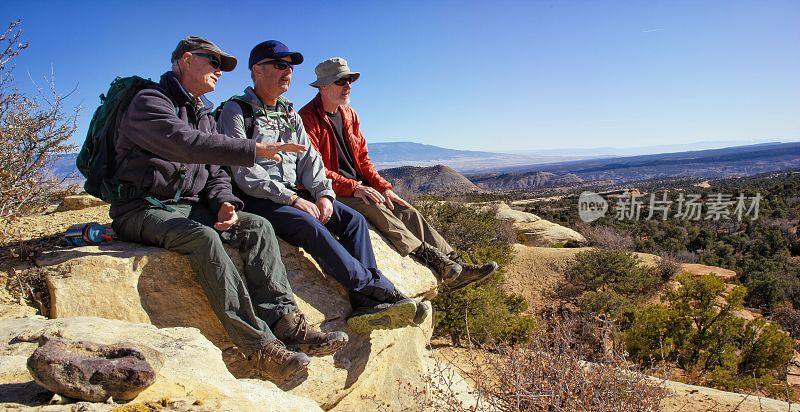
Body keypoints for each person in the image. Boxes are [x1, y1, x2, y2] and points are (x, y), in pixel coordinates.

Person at [109, 36, 348, 383]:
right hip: (141, 208)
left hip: (187, 206)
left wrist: (224, 201)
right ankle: (261, 347)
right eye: (214, 62)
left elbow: (215, 170)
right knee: (203, 238)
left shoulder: (202, 111)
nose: (220, 72)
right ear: (187, 60)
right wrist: (253, 149)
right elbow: (184, 144)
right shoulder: (149, 102)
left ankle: (286, 323)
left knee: (257, 227)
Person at [216, 40, 423, 334]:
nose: (288, 72)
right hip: (260, 198)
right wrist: (291, 199)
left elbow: (309, 158)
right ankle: (379, 288)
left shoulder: (289, 113)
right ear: (257, 70)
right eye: (280, 65)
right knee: (312, 228)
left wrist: (324, 194)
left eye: (290, 67)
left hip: (293, 193)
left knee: (353, 220)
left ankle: (362, 300)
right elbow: (243, 170)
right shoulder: (236, 112)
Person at [299, 57, 498, 290]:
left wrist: (383, 187)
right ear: (323, 86)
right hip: (330, 190)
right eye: (341, 81)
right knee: (374, 208)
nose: (348, 86)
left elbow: (363, 158)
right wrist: (355, 187)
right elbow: (316, 169)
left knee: (404, 208)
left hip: (358, 184)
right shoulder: (307, 118)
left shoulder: (349, 114)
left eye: (350, 80)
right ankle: (433, 259)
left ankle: (456, 264)